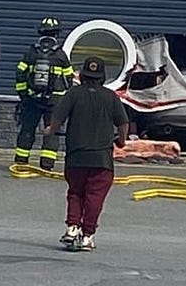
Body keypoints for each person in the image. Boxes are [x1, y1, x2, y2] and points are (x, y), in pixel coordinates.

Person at [44, 56, 130, 252]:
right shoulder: (111, 97)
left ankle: (72, 228)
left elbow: (58, 117)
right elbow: (123, 122)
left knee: (75, 192)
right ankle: (87, 236)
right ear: (102, 76)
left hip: (76, 156)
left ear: (82, 75)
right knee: (95, 197)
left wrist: (50, 130)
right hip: (102, 160)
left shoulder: (73, 94)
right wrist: (122, 141)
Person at [14, 17, 75, 171]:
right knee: (51, 131)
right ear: (56, 34)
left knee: (27, 129)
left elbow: (20, 73)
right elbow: (69, 79)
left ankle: (21, 162)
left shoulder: (31, 53)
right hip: (54, 101)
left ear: (40, 32)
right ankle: (46, 165)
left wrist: (24, 94)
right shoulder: (61, 55)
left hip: (32, 98)